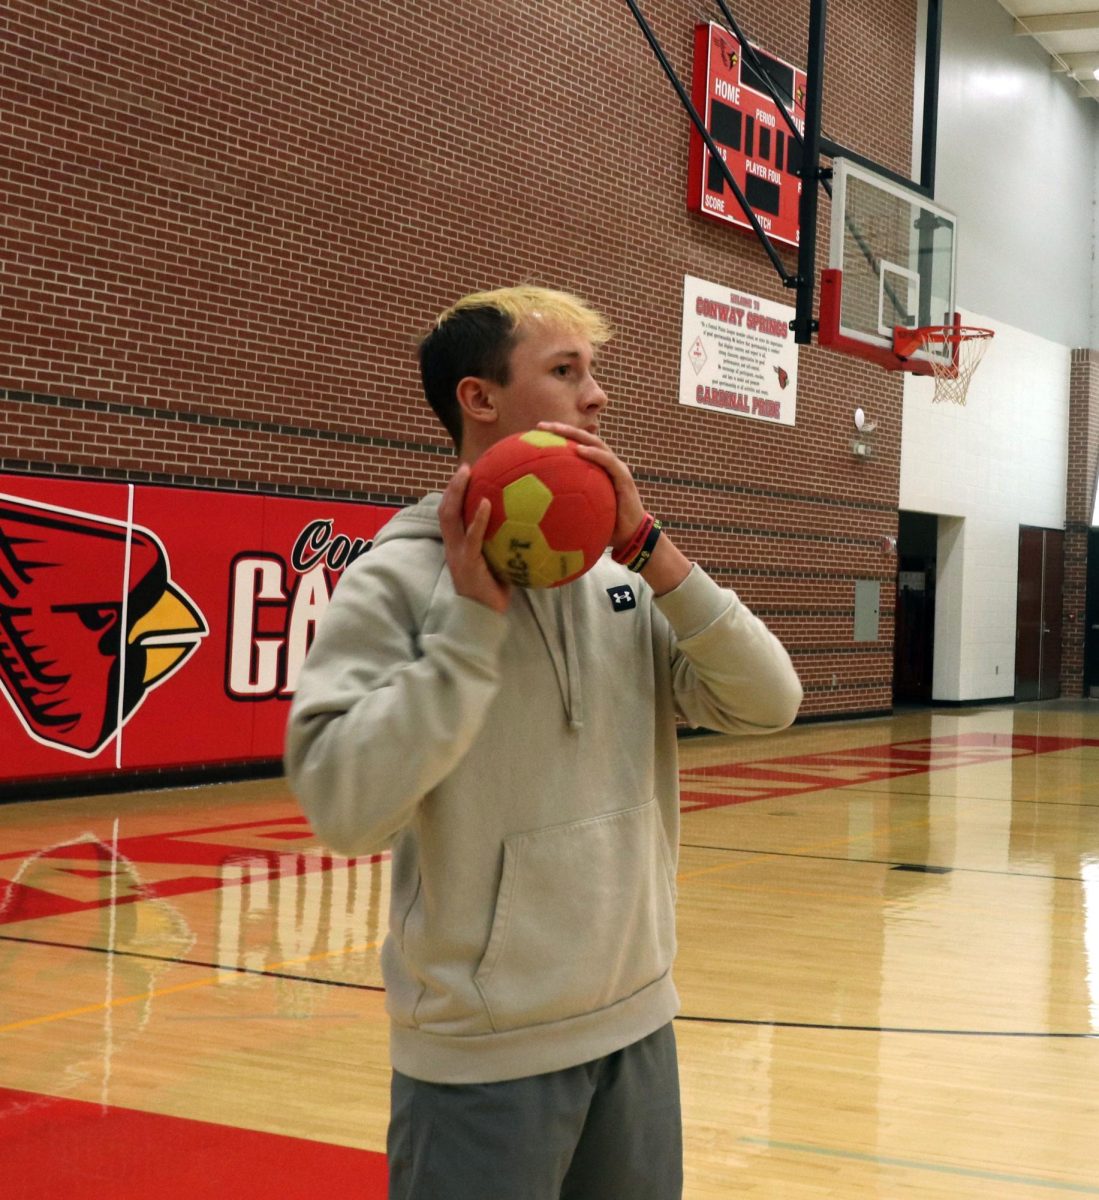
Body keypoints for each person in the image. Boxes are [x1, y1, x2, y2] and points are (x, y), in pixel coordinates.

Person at [284, 285, 802, 1200]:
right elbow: (345, 808)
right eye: (566, 372)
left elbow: (770, 703)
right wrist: (469, 631)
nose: (595, 395)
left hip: (638, 1022)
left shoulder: (622, 575)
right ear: (478, 400)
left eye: (591, 372)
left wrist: (654, 553)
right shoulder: (394, 582)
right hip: (483, 1058)